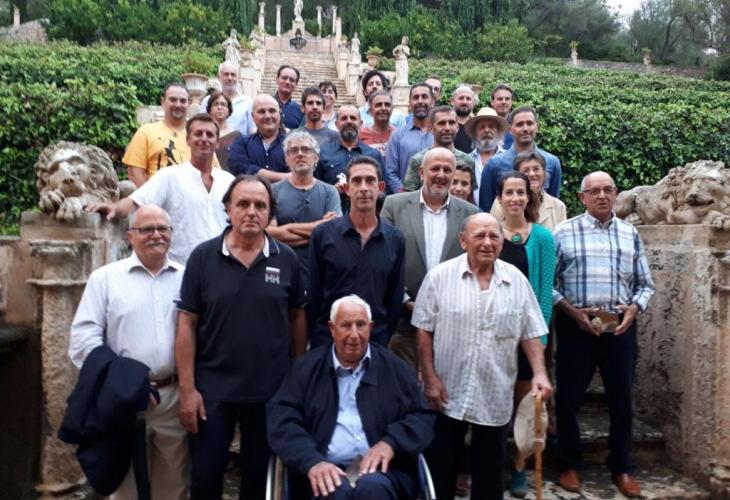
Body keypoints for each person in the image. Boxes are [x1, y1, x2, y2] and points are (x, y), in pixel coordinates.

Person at [176, 175, 307, 500]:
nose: (251, 211)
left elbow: (297, 317)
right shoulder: (203, 257)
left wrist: (296, 377)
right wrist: (187, 389)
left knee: (259, 482)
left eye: (260, 205)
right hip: (212, 391)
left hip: (269, 392)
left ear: (269, 213)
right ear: (227, 208)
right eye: (243, 204)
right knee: (205, 479)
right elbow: (187, 323)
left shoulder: (286, 258)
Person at [412, 213, 553, 500]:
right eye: (480, 236)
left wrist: (539, 372)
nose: (487, 243)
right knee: (441, 473)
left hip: (495, 391)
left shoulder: (516, 280)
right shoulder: (440, 277)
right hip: (447, 391)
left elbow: (531, 332)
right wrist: (429, 376)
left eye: (494, 236)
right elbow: (424, 330)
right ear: (463, 240)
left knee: (489, 479)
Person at [69, 204, 188, 500]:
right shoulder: (105, 279)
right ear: (130, 235)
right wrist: (125, 381)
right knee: (124, 487)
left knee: (174, 485)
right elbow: (83, 340)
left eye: (163, 228)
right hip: (122, 399)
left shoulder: (187, 278)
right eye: (146, 229)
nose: (156, 235)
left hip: (173, 398)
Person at [267, 295, 436, 500]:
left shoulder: (395, 369)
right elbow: (282, 420)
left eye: (360, 325)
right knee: (332, 490)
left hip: (382, 472)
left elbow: (421, 416)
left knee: (373, 488)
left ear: (370, 327)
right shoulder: (305, 369)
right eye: (346, 326)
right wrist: (311, 461)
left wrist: (390, 443)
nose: (354, 335)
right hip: (321, 468)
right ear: (332, 329)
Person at [553, 172, 655, 498]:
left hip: (619, 328)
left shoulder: (630, 233)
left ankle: (622, 467)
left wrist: (633, 309)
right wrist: (572, 312)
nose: (601, 195)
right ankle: (569, 464)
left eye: (607, 190)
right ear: (582, 197)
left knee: (621, 401)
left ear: (615, 193)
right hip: (576, 327)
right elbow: (548, 285)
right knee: (568, 400)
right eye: (594, 191)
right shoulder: (563, 232)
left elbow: (645, 284)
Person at [87, 114, 235, 264]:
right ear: (188, 140)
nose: (204, 138)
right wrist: (114, 208)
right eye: (198, 134)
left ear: (217, 143)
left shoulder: (229, 181)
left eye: (209, 135)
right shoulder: (170, 176)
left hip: (224, 266)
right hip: (183, 267)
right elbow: (136, 201)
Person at [381, 148, 478, 369]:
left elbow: (473, 265)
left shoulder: (470, 213)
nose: (441, 175)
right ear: (421, 172)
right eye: (435, 168)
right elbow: (383, 261)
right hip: (403, 324)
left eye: (447, 170)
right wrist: (406, 302)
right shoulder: (394, 206)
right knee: (405, 387)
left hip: (451, 324)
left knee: (443, 388)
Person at [493, 171, 556, 498]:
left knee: (523, 406)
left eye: (521, 192)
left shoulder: (542, 237)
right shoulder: (490, 234)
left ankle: (519, 467)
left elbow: (544, 292)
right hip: (496, 334)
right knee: (496, 404)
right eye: (509, 192)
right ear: (500, 198)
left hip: (528, 338)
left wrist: (539, 340)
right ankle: (493, 463)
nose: (515, 198)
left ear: (528, 197)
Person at [308, 156, 405, 348]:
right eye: (357, 181)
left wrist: (381, 335)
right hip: (328, 341)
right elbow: (314, 295)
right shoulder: (323, 235)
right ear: (347, 188)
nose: (363, 188)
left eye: (370, 181)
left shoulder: (395, 240)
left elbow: (394, 299)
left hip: (375, 342)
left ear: (381, 187)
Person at [268, 130, 341, 280]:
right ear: (286, 159)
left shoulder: (330, 192)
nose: (300, 154)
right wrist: (319, 228)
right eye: (294, 150)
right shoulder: (272, 191)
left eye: (306, 150)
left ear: (316, 157)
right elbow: (270, 235)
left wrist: (287, 228)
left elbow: (333, 233)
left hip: (321, 270)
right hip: (282, 269)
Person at [479, 106, 562, 212]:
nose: (525, 129)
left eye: (529, 123)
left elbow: (553, 205)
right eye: (520, 124)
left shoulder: (552, 162)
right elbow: (486, 208)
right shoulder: (494, 164)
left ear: (537, 127)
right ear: (510, 130)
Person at [315, 105, 384, 209]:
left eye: (353, 118)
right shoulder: (323, 153)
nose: (349, 121)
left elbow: (385, 190)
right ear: (336, 124)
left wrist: (368, 190)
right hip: (333, 213)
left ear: (361, 124)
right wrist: (332, 191)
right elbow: (314, 188)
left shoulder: (373, 155)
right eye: (344, 118)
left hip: (365, 213)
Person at [123, 83, 190, 187]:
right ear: (163, 102)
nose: (178, 105)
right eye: (173, 100)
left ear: (188, 103)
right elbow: (135, 173)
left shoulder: (199, 136)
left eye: (183, 101)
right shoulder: (146, 132)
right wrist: (149, 195)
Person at [402, 105, 476, 192]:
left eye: (451, 123)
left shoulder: (468, 161)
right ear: (431, 128)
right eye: (442, 123)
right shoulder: (418, 160)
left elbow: (470, 196)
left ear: (457, 127)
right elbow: (408, 196)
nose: (447, 128)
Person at [490, 151, 567, 231]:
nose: (532, 174)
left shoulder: (558, 206)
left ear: (544, 173)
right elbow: (493, 232)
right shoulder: (501, 203)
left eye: (536, 169)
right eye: (525, 170)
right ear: (517, 175)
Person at [384, 83, 434, 194]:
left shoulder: (439, 134)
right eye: (416, 97)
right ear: (410, 103)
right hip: (405, 198)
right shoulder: (397, 136)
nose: (420, 101)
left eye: (424, 97)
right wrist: (403, 195)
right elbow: (390, 172)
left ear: (432, 102)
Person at [228, 95, 289, 182]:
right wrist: (287, 177)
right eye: (261, 112)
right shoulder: (241, 143)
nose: (267, 116)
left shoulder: (294, 143)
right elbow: (241, 168)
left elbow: (301, 172)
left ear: (279, 113)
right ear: (253, 116)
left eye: (272, 111)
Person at [199, 61, 255, 137]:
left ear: (238, 78)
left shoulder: (248, 102)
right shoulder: (207, 100)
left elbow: (252, 130)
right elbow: (201, 125)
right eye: (226, 74)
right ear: (219, 77)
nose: (230, 78)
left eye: (233, 75)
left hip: (239, 143)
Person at [464, 107, 507, 204]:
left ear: (498, 131)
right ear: (475, 133)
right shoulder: (467, 160)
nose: (487, 130)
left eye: (491, 126)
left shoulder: (508, 158)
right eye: (482, 127)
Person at [206, 91, 242, 171]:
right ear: (210, 109)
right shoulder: (204, 135)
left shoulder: (237, 136)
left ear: (228, 110)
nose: (219, 107)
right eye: (216, 104)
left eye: (223, 104)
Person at [358, 90, 395, 158]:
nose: (383, 108)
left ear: (392, 109)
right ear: (371, 110)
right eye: (378, 105)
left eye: (387, 105)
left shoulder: (398, 134)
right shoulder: (360, 135)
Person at [273, 65, 304, 130]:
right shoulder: (264, 104)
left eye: (292, 80)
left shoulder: (301, 110)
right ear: (277, 79)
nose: (287, 82)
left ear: (296, 84)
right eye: (284, 78)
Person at [451, 84, 478, 153]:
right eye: (461, 98)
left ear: (473, 103)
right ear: (452, 101)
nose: (464, 102)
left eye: (468, 99)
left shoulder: (478, 127)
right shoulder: (445, 125)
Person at [490, 83, 514, 149]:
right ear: (492, 102)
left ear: (512, 102)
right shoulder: (484, 124)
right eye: (500, 99)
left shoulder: (518, 125)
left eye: (507, 99)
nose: (503, 102)